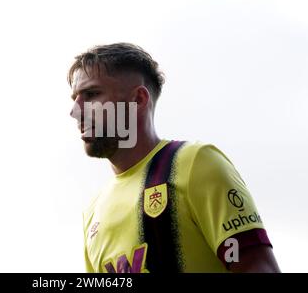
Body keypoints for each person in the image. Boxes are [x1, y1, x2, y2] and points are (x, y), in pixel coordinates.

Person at [68, 43, 280, 273]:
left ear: (138, 99)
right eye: (74, 98)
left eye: (91, 94)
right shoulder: (93, 212)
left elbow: (258, 267)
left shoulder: (195, 163)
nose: (75, 110)